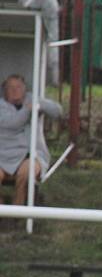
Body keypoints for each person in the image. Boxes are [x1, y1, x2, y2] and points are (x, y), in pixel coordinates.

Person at [0, 74, 62, 205]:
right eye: (10, 87)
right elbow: (13, 123)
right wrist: (27, 110)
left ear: (24, 89)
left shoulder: (31, 100)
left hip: (32, 155)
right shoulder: (1, 106)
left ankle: (17, 213)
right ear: (4, 91)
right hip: (4, 156)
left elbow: (57, 112)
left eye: (18, 87)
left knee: (25, 173)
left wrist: (39, 103)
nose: (15, 90)